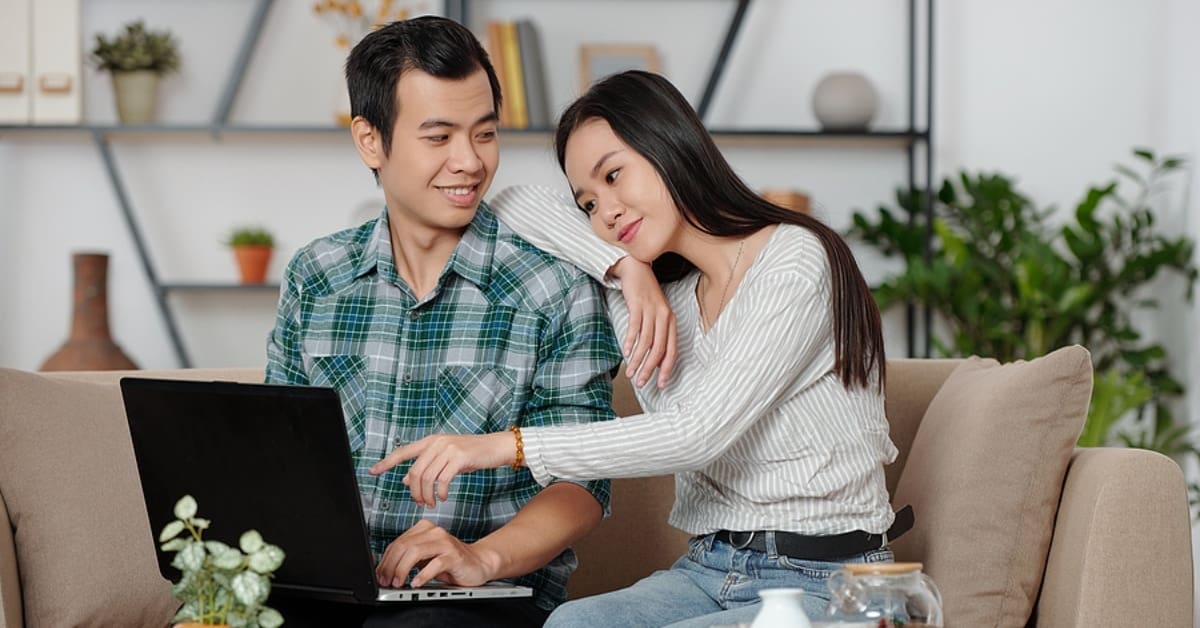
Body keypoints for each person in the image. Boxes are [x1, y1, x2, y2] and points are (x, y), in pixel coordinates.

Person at [371, 70, 910, 628]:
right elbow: (512, 201)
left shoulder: (794, 259)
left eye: (614, 175)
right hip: (708, 568)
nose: (605, 211)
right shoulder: (654, 303)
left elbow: (696, 434)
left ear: (668, 144)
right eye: (587, 202)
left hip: (830, 581)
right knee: (568, 625)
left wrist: (503, 447)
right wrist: (626, 268)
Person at [264, 16, 623, 628]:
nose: (470, 162)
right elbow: (276, 454)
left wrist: (480, 558)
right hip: (327, 591)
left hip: (482, 599)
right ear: (370, 140)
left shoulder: (554, 287)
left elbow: (582, 485)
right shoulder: (316, 276)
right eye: (439, 137)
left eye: (484, 134)